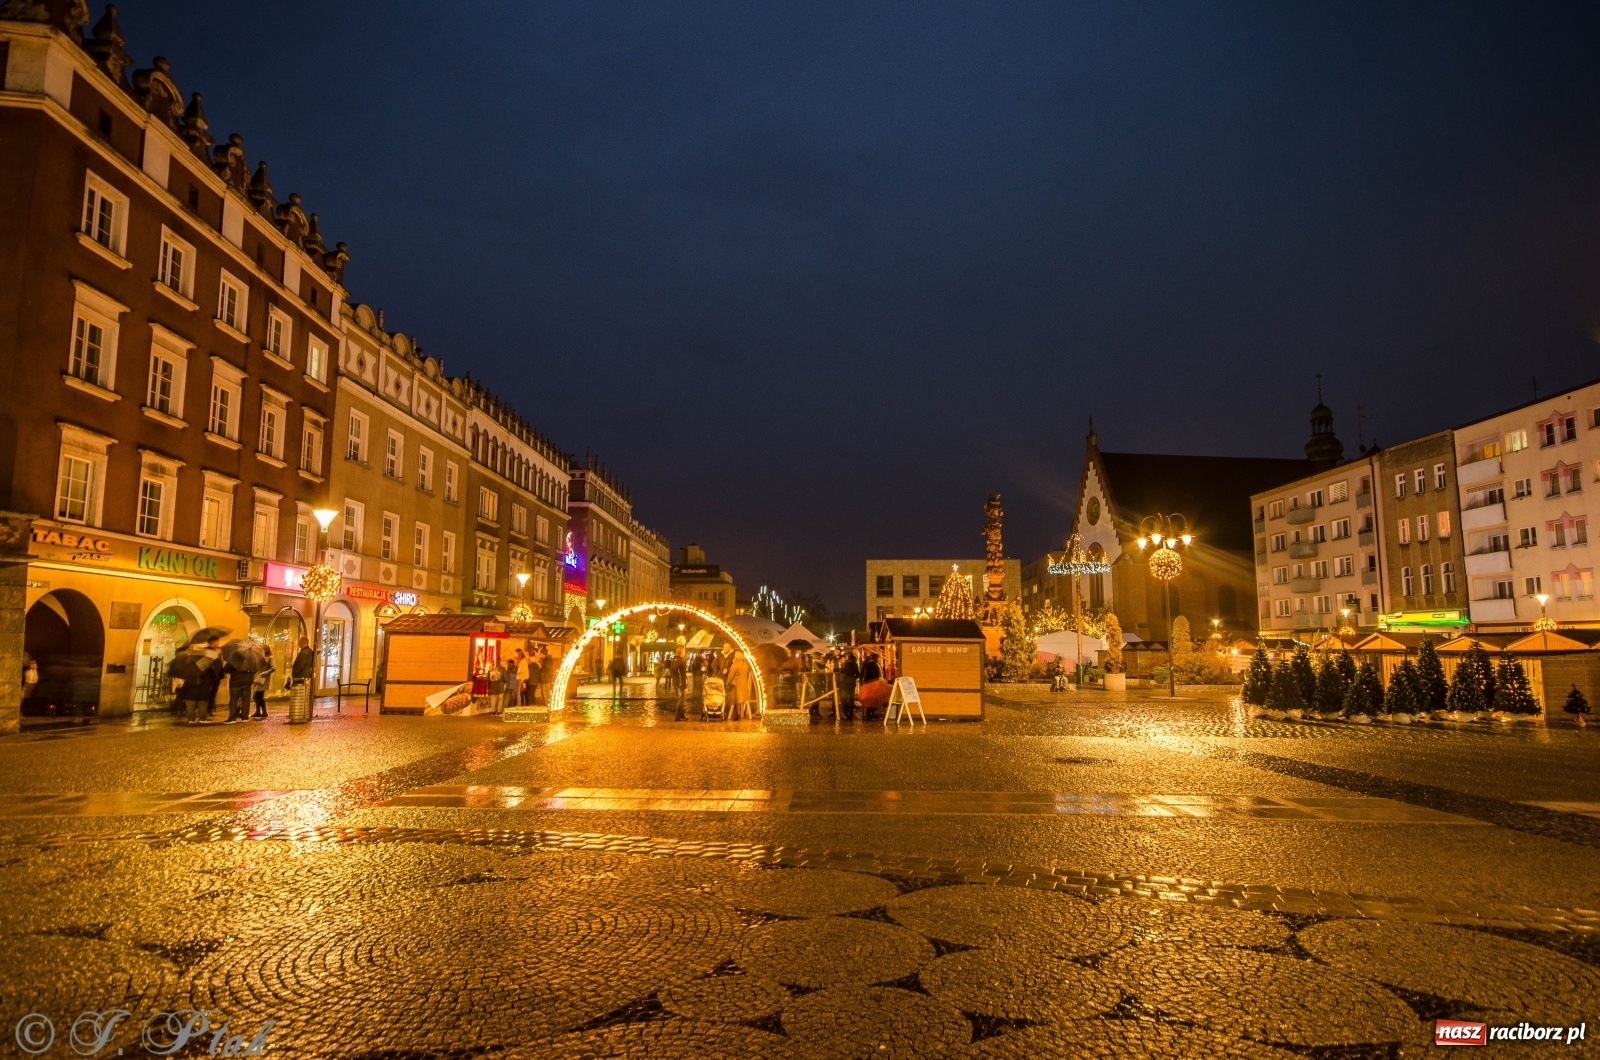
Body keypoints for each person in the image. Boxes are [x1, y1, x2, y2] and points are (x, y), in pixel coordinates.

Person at [725, 649, 754, 720]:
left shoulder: (735, 664)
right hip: (744, 686)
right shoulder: (746, 664)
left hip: (736, 685)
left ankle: (736, 714)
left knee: (735, 699)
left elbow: (730, 675)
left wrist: (727, 683)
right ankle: (743, 715)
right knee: (743, 699)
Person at [252, 647, 274, 719]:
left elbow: (273, 668)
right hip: (259, 678)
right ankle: (258, 711)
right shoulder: (262, 658)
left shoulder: (270, 658)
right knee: (257, 696)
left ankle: (264, 712)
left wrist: (264, 673)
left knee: (258, 696)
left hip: (264, 679)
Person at [838, 651, 859, 721]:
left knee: (844, 698)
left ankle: (846, 713)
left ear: (847, 657)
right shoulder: (855, 664)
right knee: (851, 698)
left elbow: (842, 672)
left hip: (845, 682)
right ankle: (850, 714)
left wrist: (841, 665)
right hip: (852, 682)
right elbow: (858, 674)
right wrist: (853, 678)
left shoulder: (845, 664)